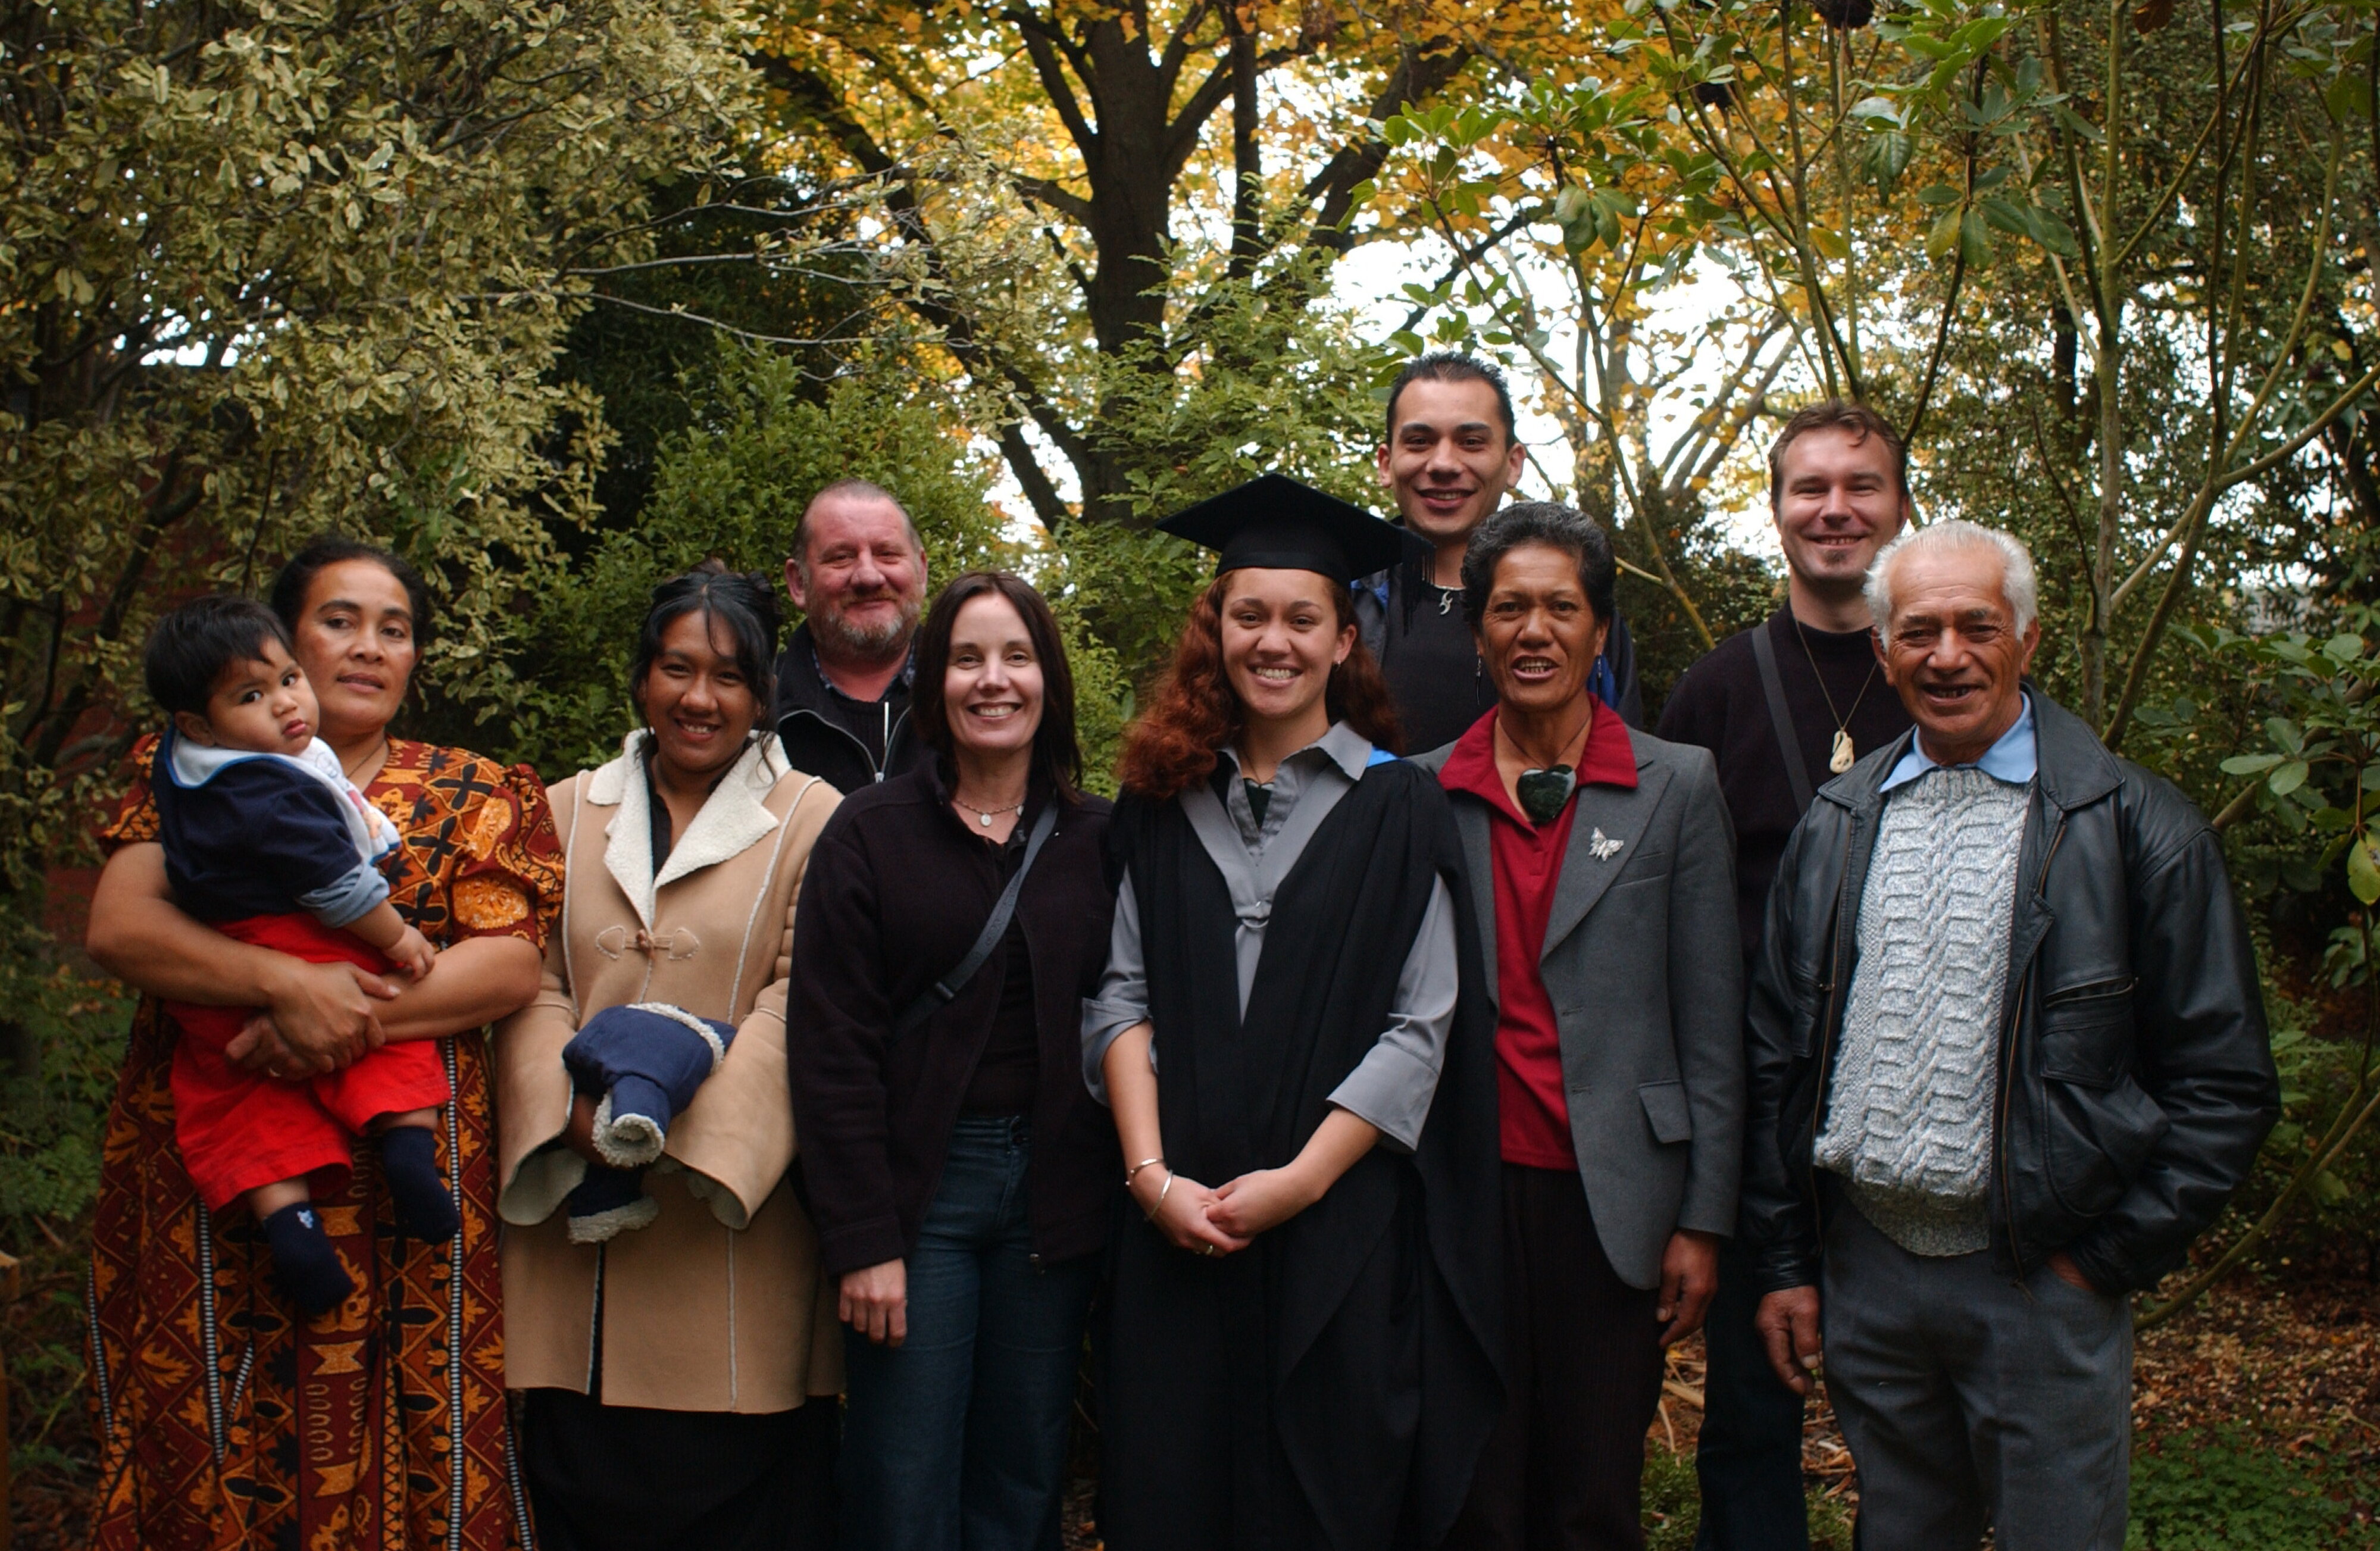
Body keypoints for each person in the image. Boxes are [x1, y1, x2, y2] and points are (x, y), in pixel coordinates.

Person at [1739, 521, 2280, 1550]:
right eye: (1920, 631)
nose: (1947, 656)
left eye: (1975, 627)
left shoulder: (2134, 824)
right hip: (1868, 1273)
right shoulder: (1835, 820)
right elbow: (1777, 1054)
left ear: (2025, 642)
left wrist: (2101, 1260)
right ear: (1883, 649)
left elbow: (2224, 1085)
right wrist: (1785, 1260)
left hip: (2041, 1277)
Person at [83, 534, 561, 1550]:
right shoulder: (185, 773)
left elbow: (510, 963)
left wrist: (336, 1022)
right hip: (225, 1179)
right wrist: (282, 983)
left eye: (394, 630)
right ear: (282, 640)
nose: (367, 647)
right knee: (216, 1423)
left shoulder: (471, 790)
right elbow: (121, 927)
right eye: (338, 621)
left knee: (421, 1421)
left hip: (410, 1175)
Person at [1083, 474, 1503, 1550]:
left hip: (1337, 1235)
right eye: (1249, 614)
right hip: (1174, 1227)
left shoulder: (1402, 806)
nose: (1273, 641)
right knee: (1170, 1492)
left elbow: (1423, 1028)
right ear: (1213, 629)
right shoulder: (1156, 801)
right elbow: (1119, 998)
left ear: (1344, 637)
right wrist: (1150, 1181)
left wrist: (1297, 1185)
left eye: (1300, 618)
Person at [495, 564, 845, 1551]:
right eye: (677, 668)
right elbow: (532, 980)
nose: (701, 697)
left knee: (738, 1505)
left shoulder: (816, 817)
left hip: (730, 1216)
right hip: (577, 1207)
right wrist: (571, 1123)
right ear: (642, 679)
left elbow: (799, 997)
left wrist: (674, 1127)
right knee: (580, 1495)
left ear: (762, 695)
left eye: (729, 676)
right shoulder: (560, 810)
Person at [1418, 504, 1743, 1551]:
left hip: (1615, 1199)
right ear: (1475, 633)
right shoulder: (1420, 791)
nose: (1533, 630)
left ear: (1600, 630)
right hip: (1456, 1196)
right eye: (1506, 607)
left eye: (1560, 606)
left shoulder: (1675, 784)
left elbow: (1709, 1019)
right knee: (1475, 1490)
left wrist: (1701, 1216)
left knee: (1591, 1495)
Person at [789, 571, 1119, 1550]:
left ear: (1048, 681)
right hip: (917, 1197)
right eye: (968, 658)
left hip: (1055, 1196)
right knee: (902, 1473)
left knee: (1022, 1470)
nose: (993, 679)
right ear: (933, 682)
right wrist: (861, 1237)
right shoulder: (871, 833)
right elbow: (831, 1045)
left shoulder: (1103, 838)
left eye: (1015, 656)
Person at [1652, 399, 1914, 1550]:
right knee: (1750, 1422)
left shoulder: (1944, 667)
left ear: (1900, 505)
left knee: (1910, 1424)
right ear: (1774, 513)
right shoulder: (1713, 692)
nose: (1833, 508)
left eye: (1858, 485)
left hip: (1915, 1098)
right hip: (1761, 1106)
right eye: (1807, 488)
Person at [137, 593, 451, 1317]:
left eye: (284, 681)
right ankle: (408, 1147)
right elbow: (338, 888)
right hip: (286, 940)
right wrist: (395, 939)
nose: (284, 703)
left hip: (212, 976)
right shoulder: (268, 786)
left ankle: (290, 1221)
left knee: (236, 1096)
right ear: (196, 721)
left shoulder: (188, 764)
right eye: (253, 693)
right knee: (388, 1030)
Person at [1357, 351, 1641, 752]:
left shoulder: (1578, 608)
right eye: (1419, 442)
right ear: (1386, 463)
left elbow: (1624, 764)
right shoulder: (1342, 602)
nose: (1442, 464)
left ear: (1512, 464)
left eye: (1470, 442)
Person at [775, 476, 933, 791]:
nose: (868, 577)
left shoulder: (970, 701)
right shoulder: (755, 708)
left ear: (921, 571)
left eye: (887, 553)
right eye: (841, 557)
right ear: (798, 583)